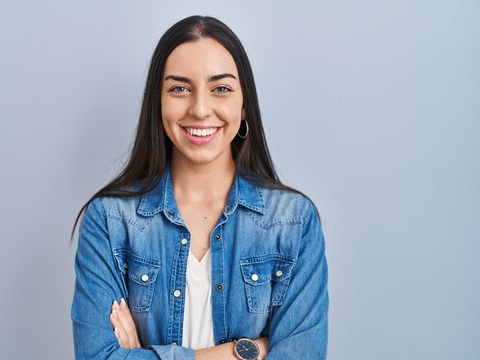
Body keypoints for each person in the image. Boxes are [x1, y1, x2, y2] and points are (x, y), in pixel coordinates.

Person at [70, 15, 329, 360]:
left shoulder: (294, 222)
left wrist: (143, 355)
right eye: (179, 88)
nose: (200, 109)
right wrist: (242, 353)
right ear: (157, 103)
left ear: (244, 104)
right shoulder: (109, 219)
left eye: (220, 88)